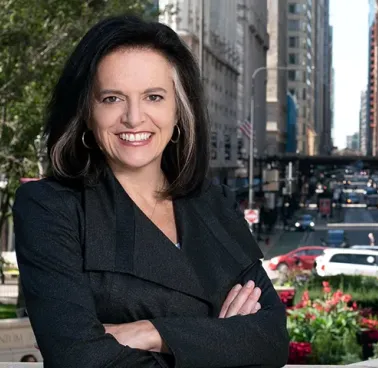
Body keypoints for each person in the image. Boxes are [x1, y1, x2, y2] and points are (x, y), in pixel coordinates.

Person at [13, 15, 289, 368]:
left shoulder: (212, 202)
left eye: (153, 97)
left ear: (178, 109)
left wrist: (153, 332)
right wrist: (218, 341)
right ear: (86, 111)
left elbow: (271, 339)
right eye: (112, 98)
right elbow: (80, 359)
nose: (133, 117)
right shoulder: (50, 209)